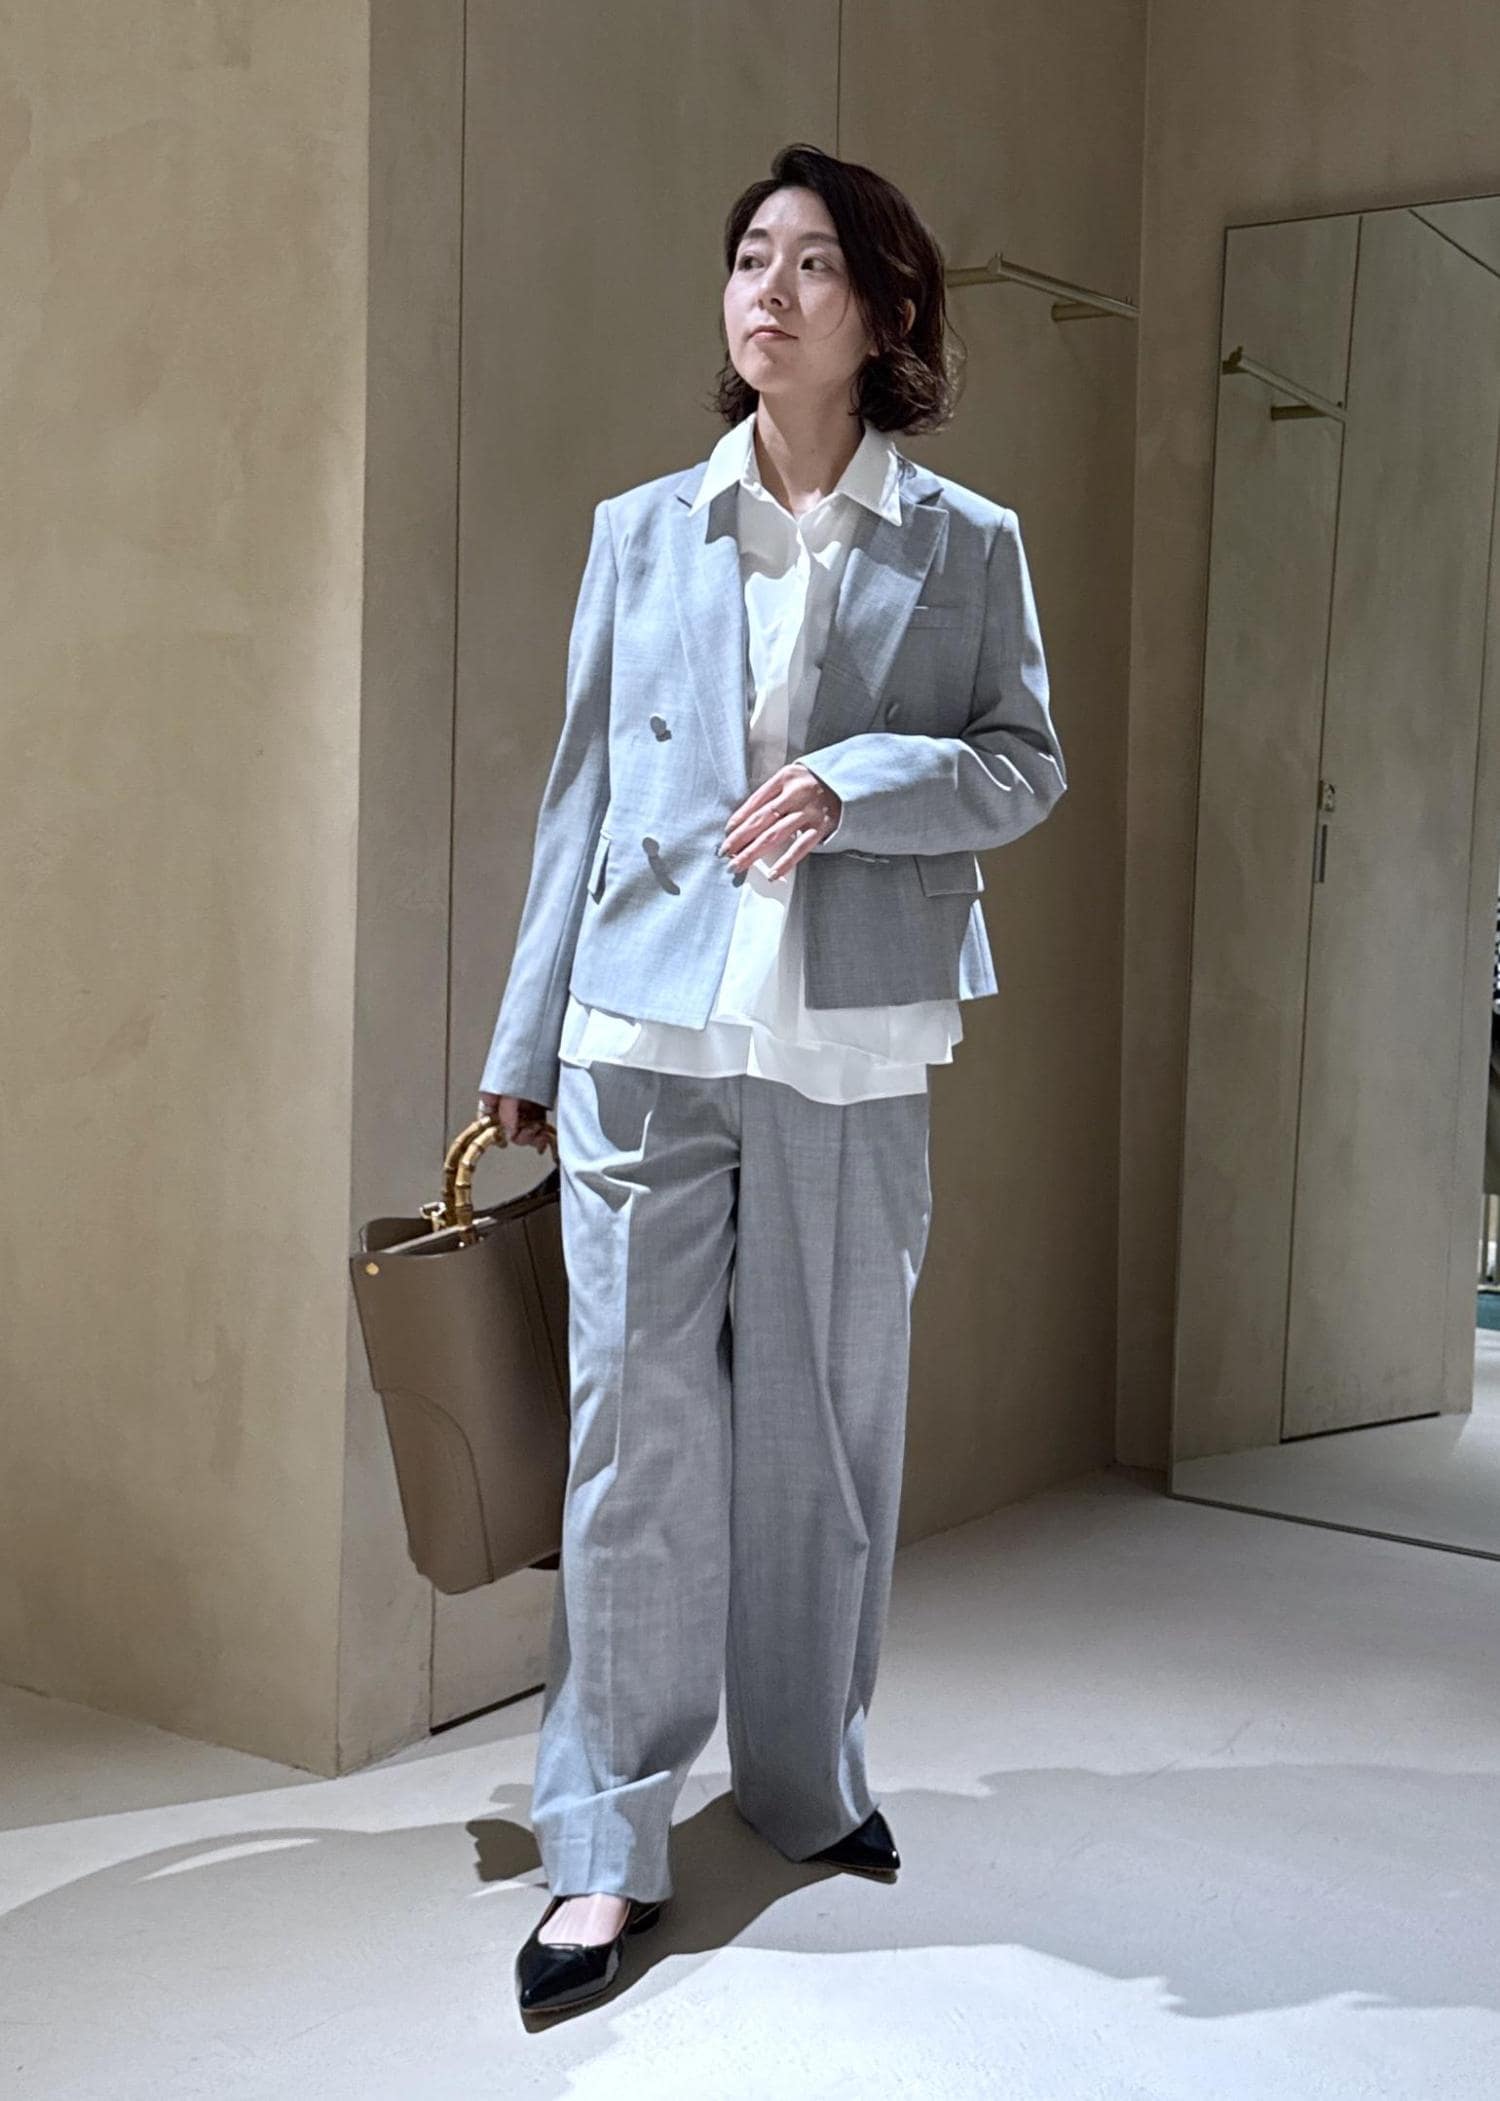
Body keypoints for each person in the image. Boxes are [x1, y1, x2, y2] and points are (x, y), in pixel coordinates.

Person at [477, 141, 1067, 2020]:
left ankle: (808, 1783)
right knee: (631, 1440)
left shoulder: (965, 542)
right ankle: (603, 1841)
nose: (771, 289)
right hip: (640, 1034)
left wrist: (857, 782)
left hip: (850, 1035)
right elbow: (579, 790)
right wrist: (520, 1044)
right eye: (750, 257)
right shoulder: (642, 527)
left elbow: (1022, 761)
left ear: (882, 312)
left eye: (814, 263)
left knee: (823, 1424)